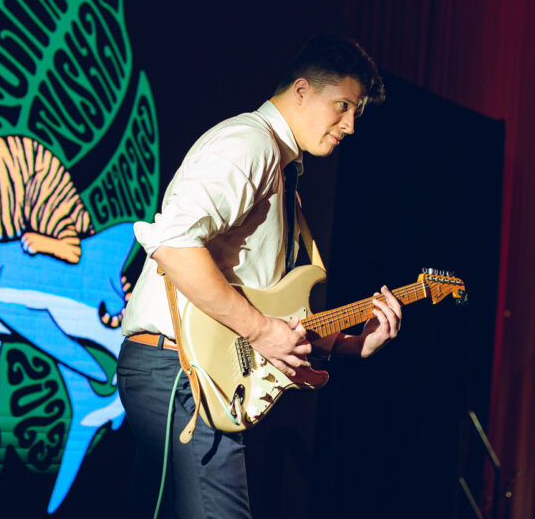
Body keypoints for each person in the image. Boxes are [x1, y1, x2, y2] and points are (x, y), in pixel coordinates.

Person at [115, 34, 402, 518]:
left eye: (356, 113)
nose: (351, 125)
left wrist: (353, 344)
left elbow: (275, 310)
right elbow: (172, 241)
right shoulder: (250, 144)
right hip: (179, 374)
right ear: (303, 90)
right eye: (343, 106)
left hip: (190, 375)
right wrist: (260, 330)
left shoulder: (283, 172)